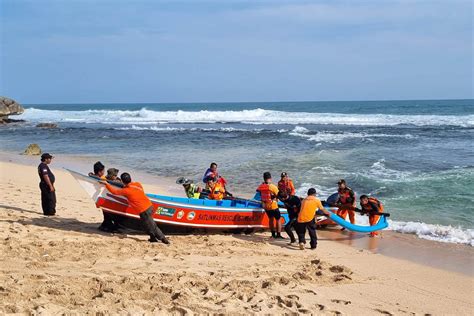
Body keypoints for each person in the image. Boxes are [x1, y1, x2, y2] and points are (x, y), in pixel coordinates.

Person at [101, 173, 169, 244]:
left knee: (152, 226)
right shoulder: (138, 184)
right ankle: (152, 238)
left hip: (144, 210)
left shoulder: (126, 191)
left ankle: (164, 239)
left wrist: (106, 184)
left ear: (122, 181)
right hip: (149, 206)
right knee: (146, 224)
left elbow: (114, 192)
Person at [89, 162, 119, 232]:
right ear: (100, 172)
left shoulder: (96, 177)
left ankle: (105, 224)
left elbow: (92, 175)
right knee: (107, 212)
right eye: (103, 171)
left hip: (101, 198)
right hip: (104, 198)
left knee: (106, 212)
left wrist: (90, 174)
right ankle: (107, 225)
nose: (104, 172)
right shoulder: (100, 179)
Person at [256, 172, 284, 239]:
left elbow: (258, 193)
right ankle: (278, 235)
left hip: (266, 206)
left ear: (264, 178)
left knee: (271, 219)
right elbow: (279, 195)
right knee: (278, 219)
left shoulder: (261, 186)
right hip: (273, 205)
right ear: (270, 178)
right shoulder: (272, 186)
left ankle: (273, 234)